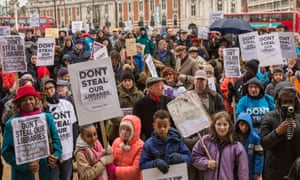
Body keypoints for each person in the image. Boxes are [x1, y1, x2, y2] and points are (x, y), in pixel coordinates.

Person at [2, 85, 62, 180]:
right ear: (19, 103)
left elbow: (56, 141)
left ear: (36, 100)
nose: (28, 102)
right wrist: (24, 166)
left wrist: (56, 155)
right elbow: (6, 152)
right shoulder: (12, 123)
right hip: (23, 175)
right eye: (24, 100)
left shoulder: (47, 118)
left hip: (44, 171)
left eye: (31, 99)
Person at [192, 111, 249, 180]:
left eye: (225, 124)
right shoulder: (205, 141)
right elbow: (195, 157)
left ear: (229, 126)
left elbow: (243, 170)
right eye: (219, 124)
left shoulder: (236, 146)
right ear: (214, 125)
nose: (222, 127)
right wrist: (206, 163)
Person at [261, 81, 300, 180]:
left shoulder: (299, 118)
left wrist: (297, 129)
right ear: (278, 102)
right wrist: (277, 132)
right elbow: (264, 143)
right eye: (284, 102)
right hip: (273, 170)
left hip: (294, 168)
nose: (288, 105)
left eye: (291, 101)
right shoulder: (269, 117)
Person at [42, 78, 78, 180]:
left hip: (67, 150)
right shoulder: (42, 109)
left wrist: (75, 147)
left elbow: (74, 127)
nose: (49, 91)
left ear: (55, 88)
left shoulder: (67, 105)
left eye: (51, 87)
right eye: (46, 89)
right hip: (52, 154)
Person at [112, 115, 144, 180]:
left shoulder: (141, 146)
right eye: (123, 128)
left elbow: (135, 171)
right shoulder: (116, 142)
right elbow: (112, 161)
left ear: (135, 131)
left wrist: (114, 170)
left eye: (128, 130)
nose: (124, 132)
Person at [234, 112, 264, 180]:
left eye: (246, 125)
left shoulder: (255, 138)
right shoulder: (234, 138)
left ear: (250, 124)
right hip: (237, 169)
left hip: (250, 170)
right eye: (241, 125)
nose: (244, 127)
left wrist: (258, 171)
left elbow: (259, 156)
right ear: (238, 124)